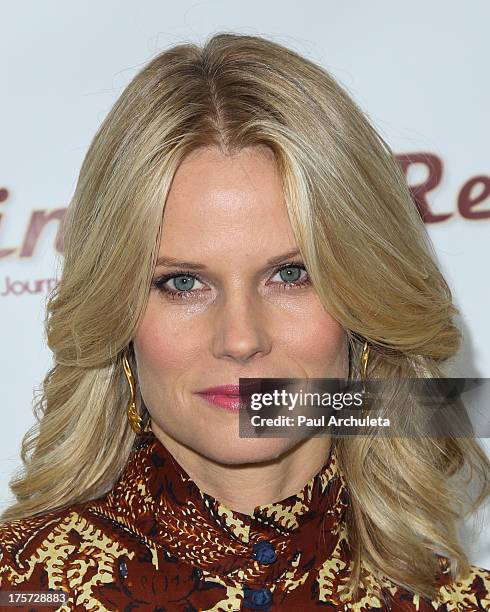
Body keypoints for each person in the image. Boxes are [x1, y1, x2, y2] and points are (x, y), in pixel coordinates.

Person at [0, 32, 489, 611]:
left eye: (290, 276)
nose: (239, 339)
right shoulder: (22, 588)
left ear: (364, 304)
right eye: (182, 283)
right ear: (118, 317)